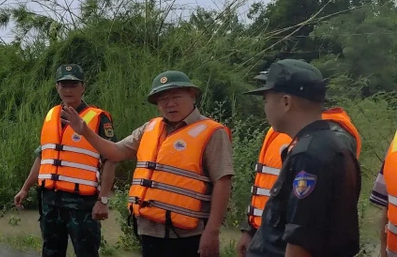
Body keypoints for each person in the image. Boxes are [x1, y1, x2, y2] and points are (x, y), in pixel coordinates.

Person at [62, 70, 233, 257]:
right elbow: (115, 152)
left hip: (189, 235)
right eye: (162, 99)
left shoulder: (213, 132)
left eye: (176, 96)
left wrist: (213, 231)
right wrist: (85, 131)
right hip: (149, 230)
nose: (170, 104)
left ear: (192, 95)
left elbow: (222, 182)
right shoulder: (150, 127)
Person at [237, 67, 361, 256]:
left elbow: (301, 239)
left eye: (266, 100)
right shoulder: (326, 144)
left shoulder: (309, 154)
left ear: (286, 102)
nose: (265, 107)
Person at [14, 64, 117, 257]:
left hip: (82, 202)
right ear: (57, 87)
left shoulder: (99, 118)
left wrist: (103, 200)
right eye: (64, 84)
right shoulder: (51, 115)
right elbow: (44, 155)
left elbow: (111, 160)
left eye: (74, 84)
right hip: (50, 200)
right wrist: (25, 188)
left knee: (86, 252)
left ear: (83, 87)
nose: (68, 89)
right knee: (51, 251)